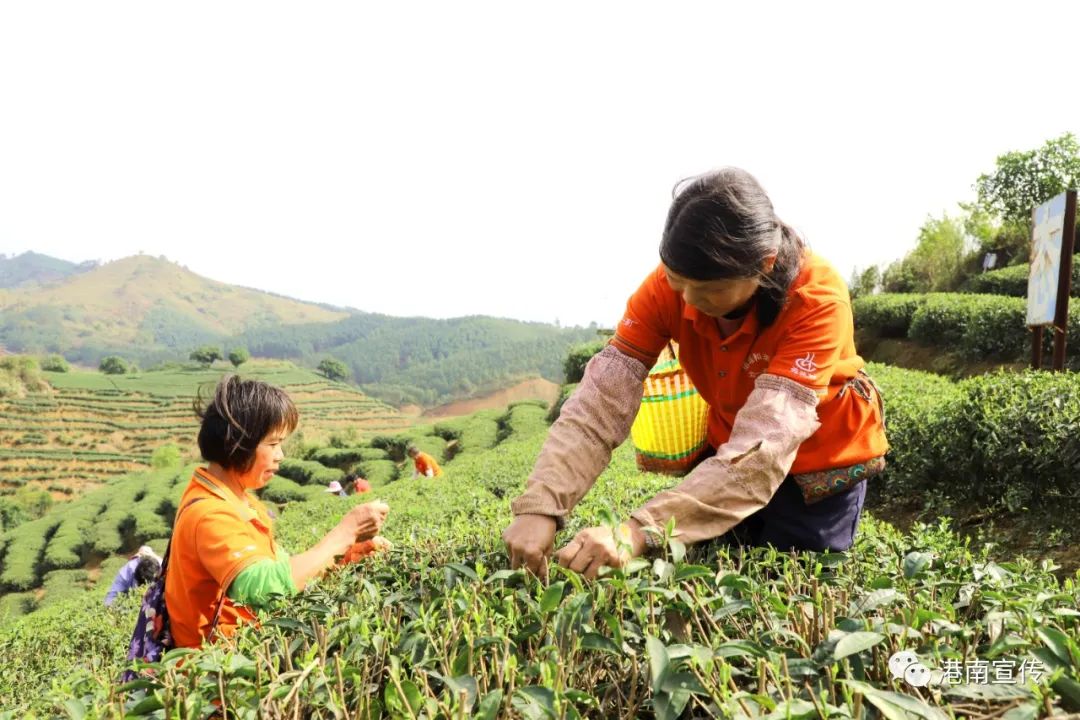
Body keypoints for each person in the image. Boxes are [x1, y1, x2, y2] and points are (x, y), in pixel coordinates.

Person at [503, 167, 888, 580]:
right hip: (729, 451)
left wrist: (636, 532)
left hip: (817, 461)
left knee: (790, 581)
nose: (687, 301)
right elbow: (601, 399)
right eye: (677, 282)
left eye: (709, 291)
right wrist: (542, 505)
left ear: (764, 264)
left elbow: (765, 445)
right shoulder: (668, 289)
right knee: (712, 573)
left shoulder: (817, 297)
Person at [164, 375, 391, 648]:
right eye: (272, 444)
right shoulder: (210, 515)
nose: (280, 454)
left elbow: (282, 571)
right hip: (218, 677)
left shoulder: (241, 501)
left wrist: (351, 551)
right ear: (238, 442)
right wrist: (345, 532)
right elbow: (266, 588)